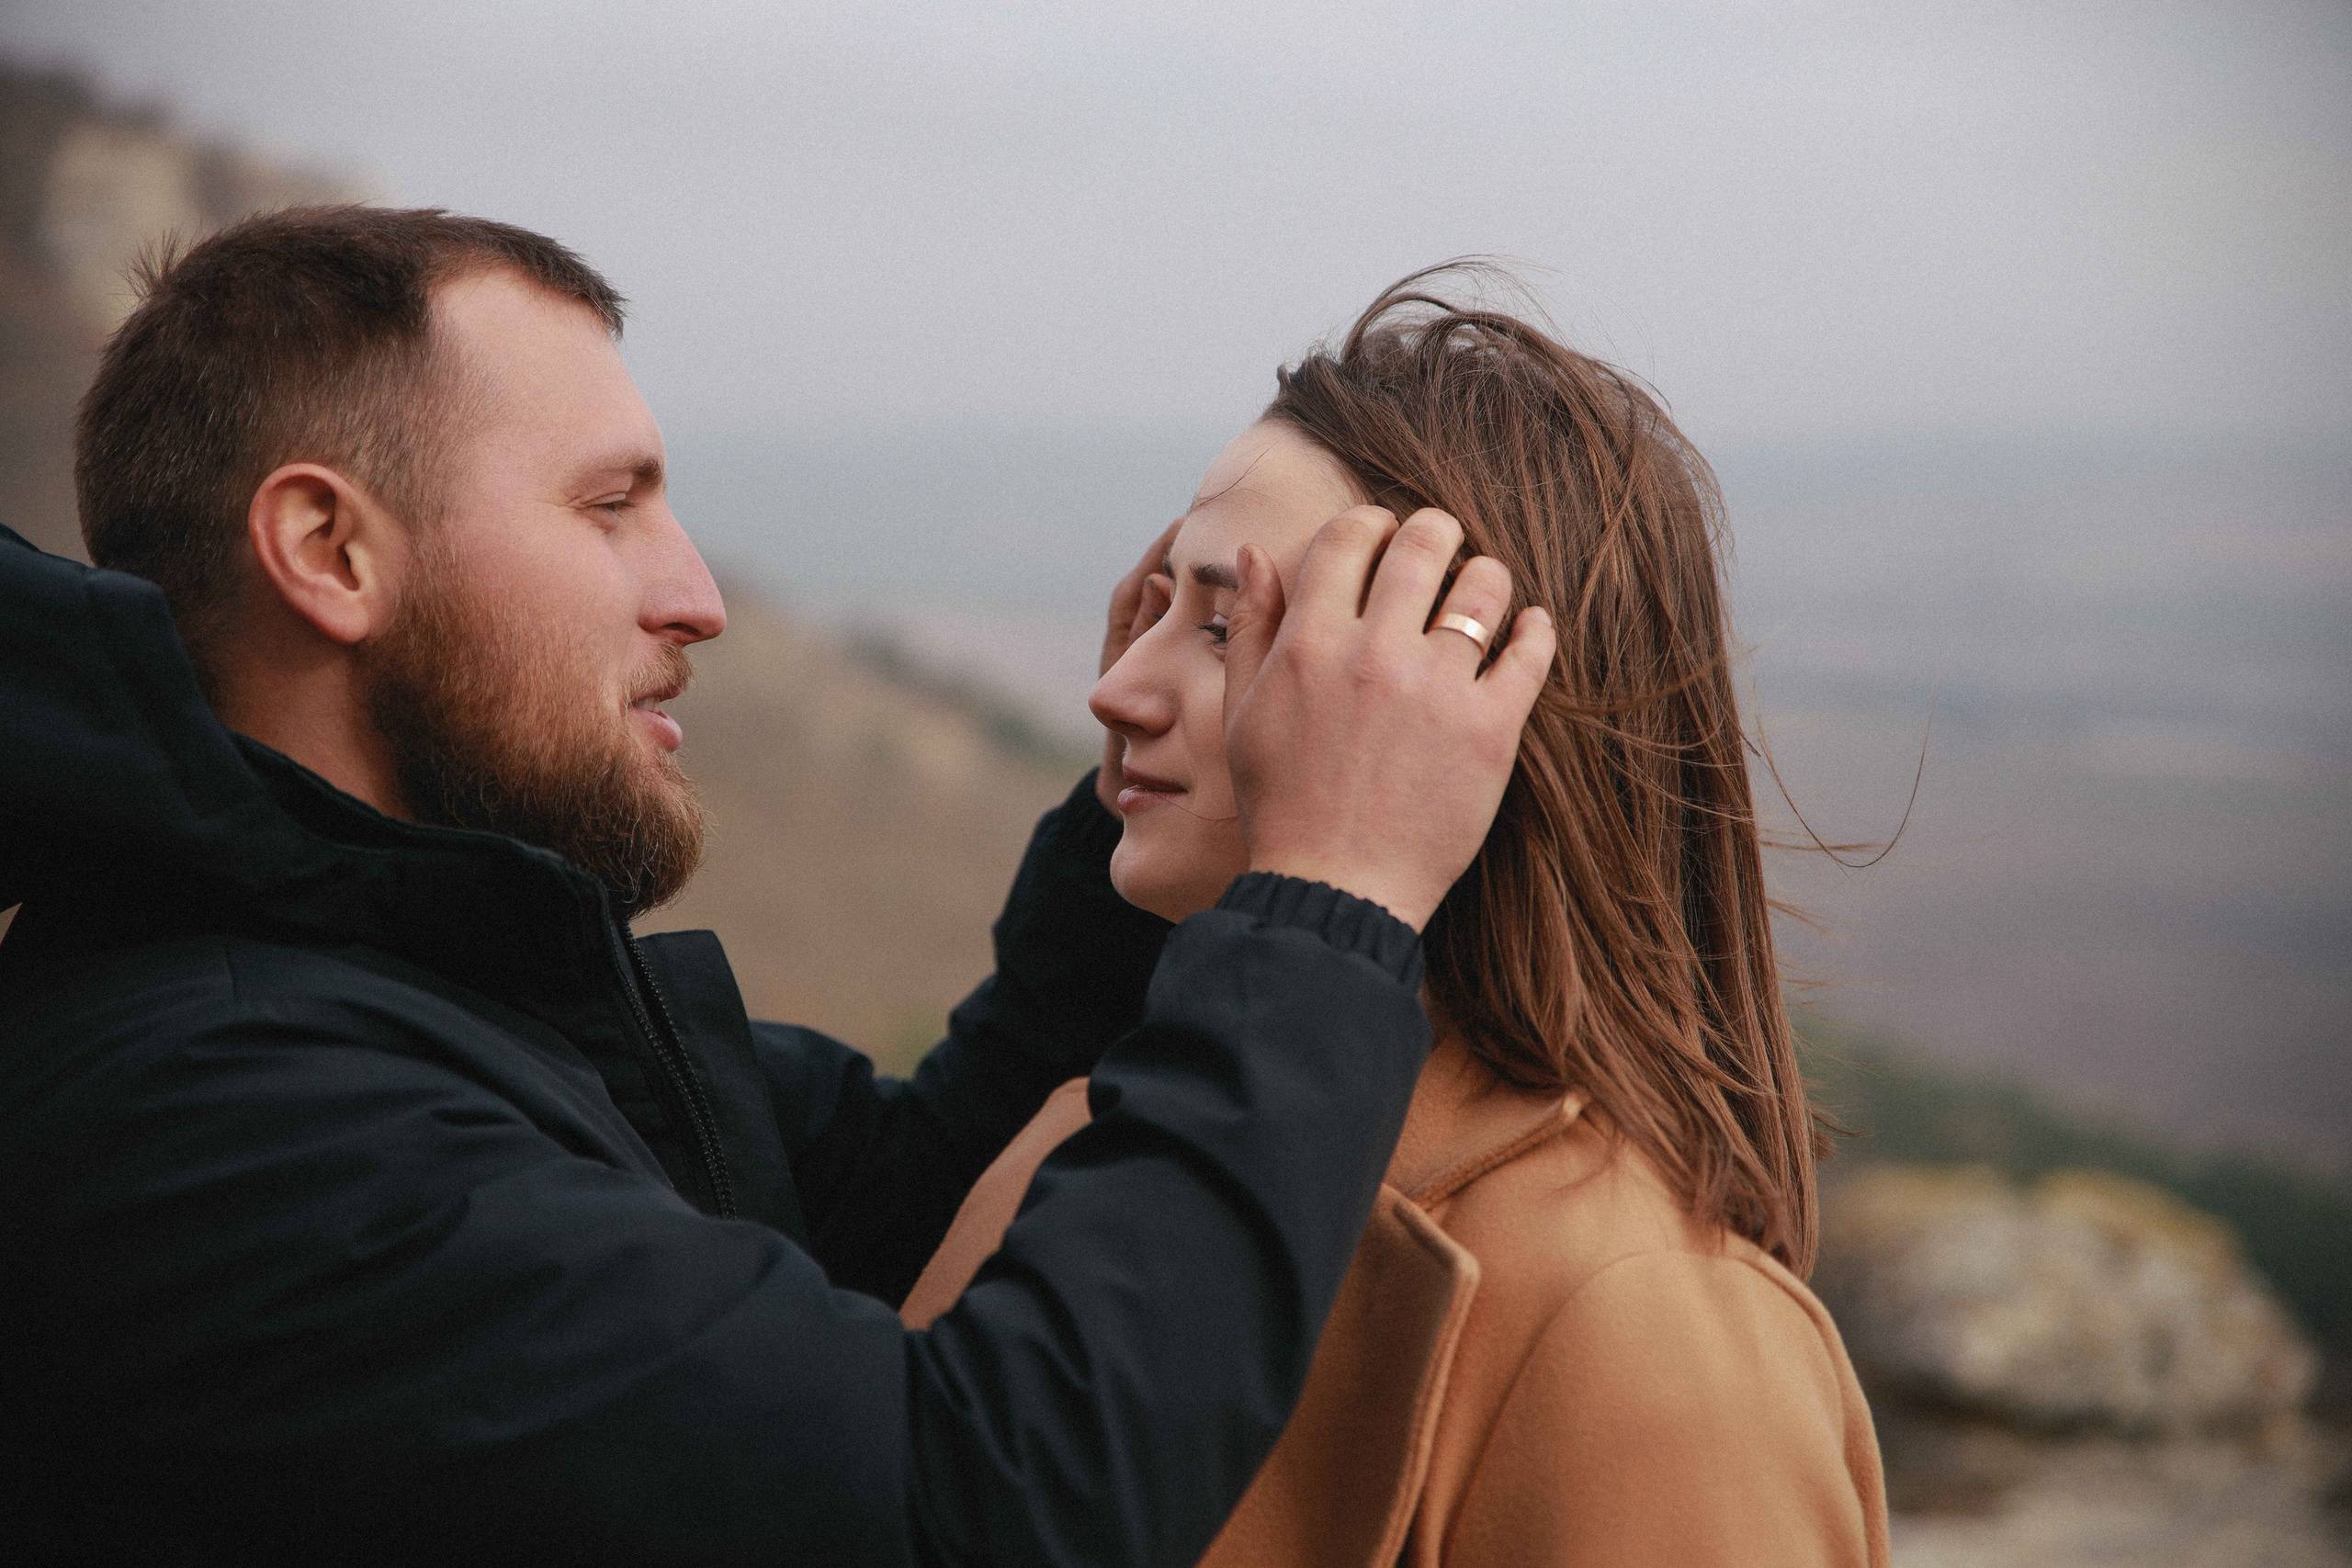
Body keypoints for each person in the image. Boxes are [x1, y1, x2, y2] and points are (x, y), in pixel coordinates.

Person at [0, 210, 1555, 1563]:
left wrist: (1149, 804)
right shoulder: (221, 1124)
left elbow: (937, 1185)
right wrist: (1331, 883)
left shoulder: (435, 997)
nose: (699, 596)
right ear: (328, 549)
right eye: (609, 507)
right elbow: (976, 1506)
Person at [899, 269, 1893, 1566]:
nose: (1114, 687)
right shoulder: (1081, 1155)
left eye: (1223, 626)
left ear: (1472, 706)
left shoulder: (1639, 1338)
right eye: (1158, 608)